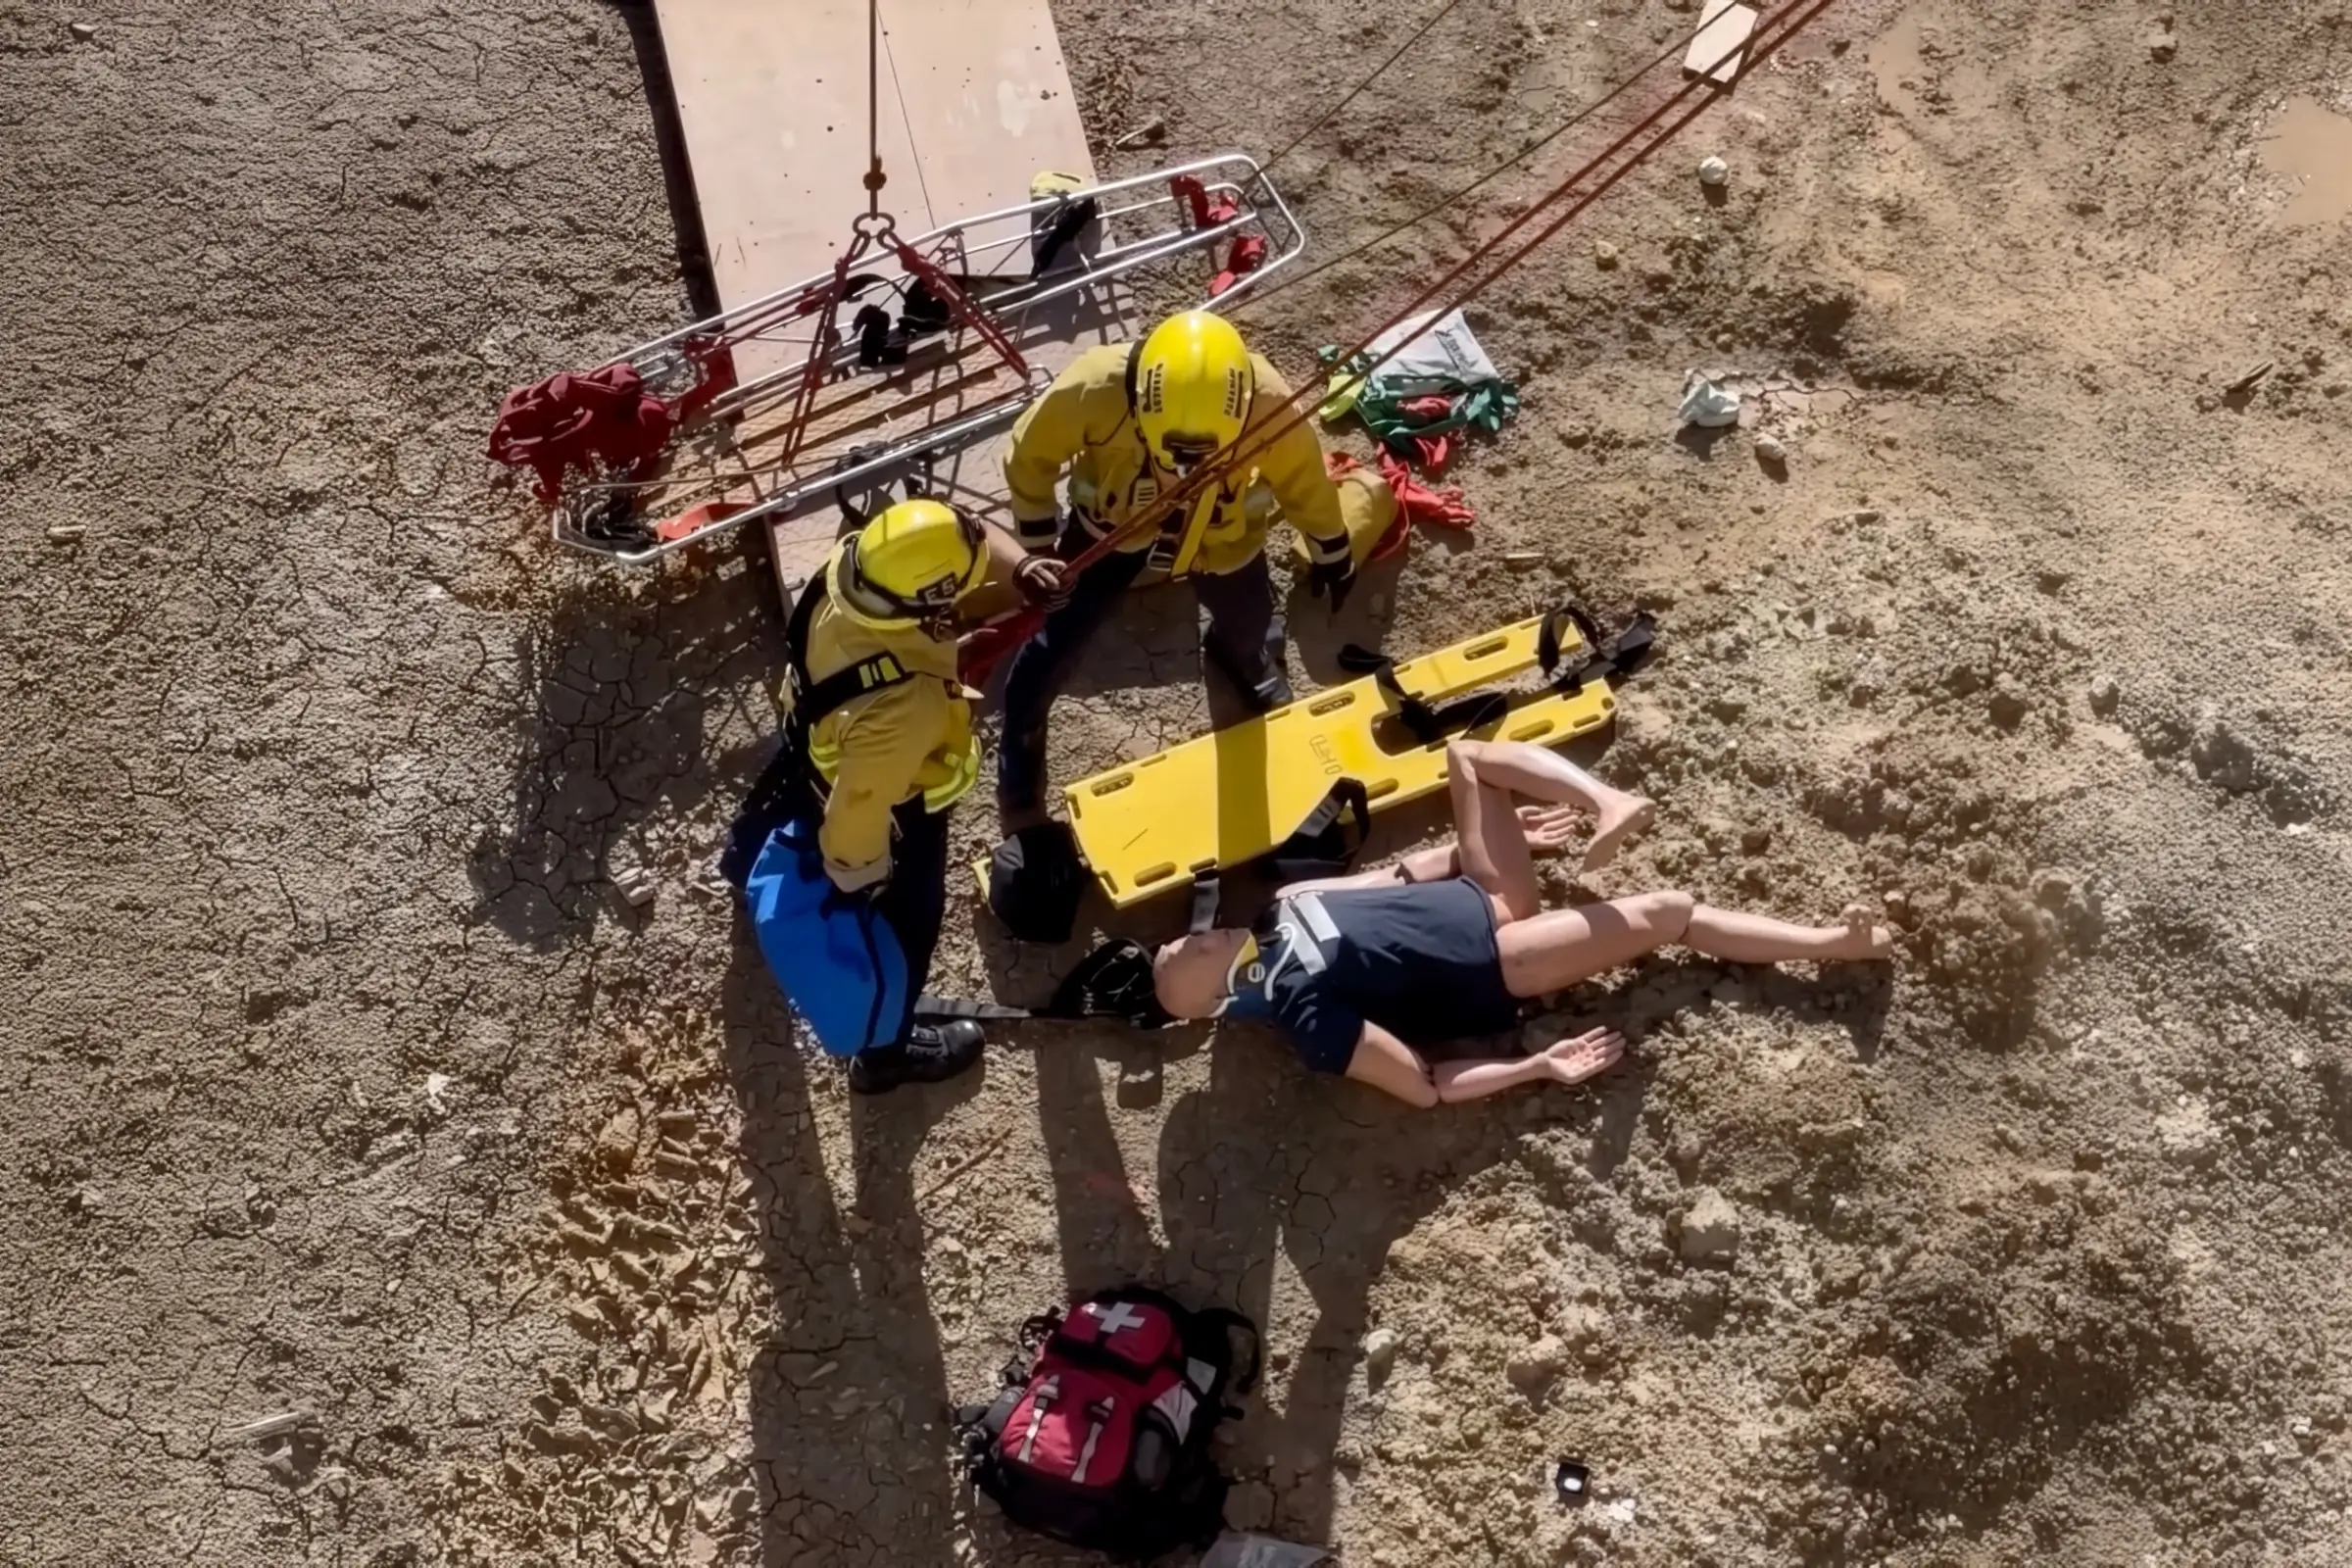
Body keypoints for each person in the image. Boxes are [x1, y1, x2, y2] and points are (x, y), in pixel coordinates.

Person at [1149, 740, 1895, 1106]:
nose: (1198, 933)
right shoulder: (1305, 1016)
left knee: (1467, 758)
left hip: (1486, 893)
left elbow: (1396, 878)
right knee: (1668, 912)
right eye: (1192, 951)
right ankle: (1834, 943)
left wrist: (1494, 847)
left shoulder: (1283, 911)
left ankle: (1607, 803)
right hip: (1505, 962)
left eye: (1187, 936)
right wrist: (1535, 1067)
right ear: (1221, 991)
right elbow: (1427, 1084)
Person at [722, 498, 1059, 1094]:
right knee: (908, 927)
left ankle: (744, 869)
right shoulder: (906, 707)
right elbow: (859, 807)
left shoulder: (850, 566)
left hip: (812, 732)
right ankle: (885, 1053)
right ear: (929, 601)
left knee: (771, 812)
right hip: (898, 808)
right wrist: (863, 879)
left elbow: (972, 531)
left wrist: (1023, 568)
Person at [996, 308, 1355, 829]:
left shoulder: (1268, 403)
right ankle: (1021, 747)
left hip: (1220, 535)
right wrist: (1038, 548)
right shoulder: (1095, 386)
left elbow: (1303, 480)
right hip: (1114, 529)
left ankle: (1242, 655)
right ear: (1142, 401)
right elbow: (1030, 455)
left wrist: (1332, 549)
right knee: (1052, 645)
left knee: (1251, 618)